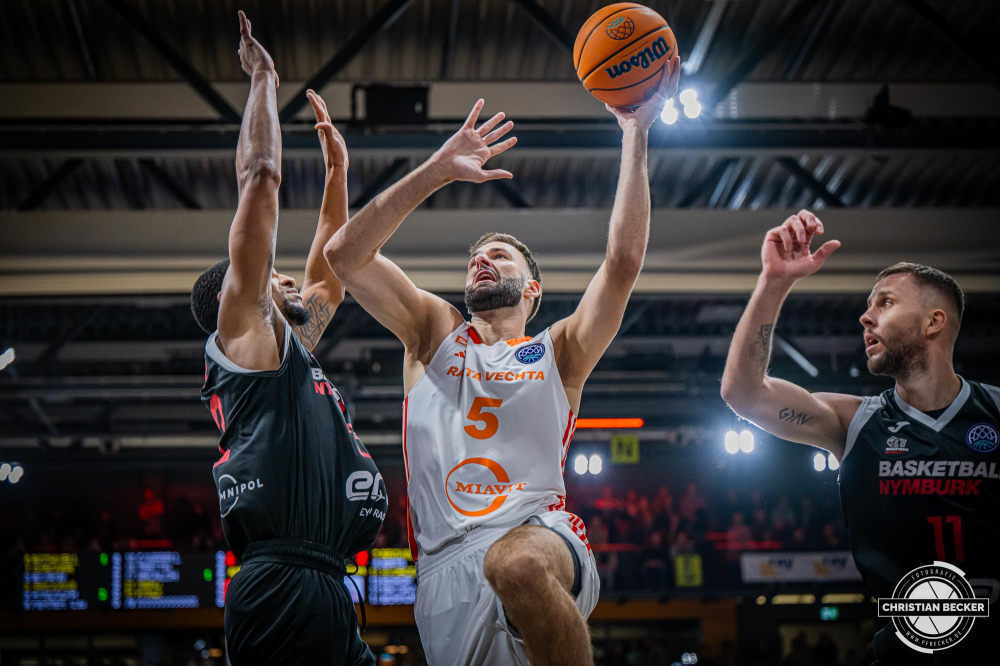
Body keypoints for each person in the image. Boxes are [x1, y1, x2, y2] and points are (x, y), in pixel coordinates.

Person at [324, 56, 681, 665]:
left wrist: (634, 132)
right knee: (500, 573)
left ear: (533, 290)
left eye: (500, 256)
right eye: (475, 258)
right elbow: (344, 256)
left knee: (513, 564)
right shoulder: (434, 332)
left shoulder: (559, 350)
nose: (481, 261)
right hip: (442, 575)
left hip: (536, 536)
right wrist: (437, 170)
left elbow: (622, 264)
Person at [189, 13, 386, 665]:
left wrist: (338, 173)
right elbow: (260, 179)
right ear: (237, 297)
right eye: (272, 276)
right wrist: (264, 80)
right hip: (278, 587)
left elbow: (329, 277)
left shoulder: (287, 348)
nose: (288, 279)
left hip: (324, 583)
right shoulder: (245, 337)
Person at [721, 210, 998, 664]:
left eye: (885, 303)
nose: (865, 317)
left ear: (933, 322)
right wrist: (774, 281)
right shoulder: (854, 421)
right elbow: (744, 394)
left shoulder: (996, 411)